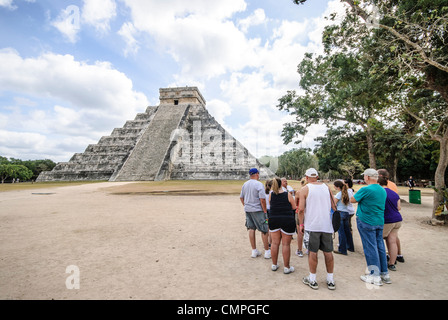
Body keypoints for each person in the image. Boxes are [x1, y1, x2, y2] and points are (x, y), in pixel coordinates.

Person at [350, 168, 390, 286]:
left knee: (370, 247)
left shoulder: (366, 189)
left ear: (367, 177)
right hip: (379, 220)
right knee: (380, 246)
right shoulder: (382, 190)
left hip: (366, 220)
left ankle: (374, 274)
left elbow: (353, 199)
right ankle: (384, 272)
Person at [298, 168, 336, 290]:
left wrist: (301, 224)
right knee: (328, 252)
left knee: (312, 252)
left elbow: (301, 209)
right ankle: (330, 279)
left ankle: (313, 279)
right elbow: (333, 205)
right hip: (326, 225)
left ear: (307, 177)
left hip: (312, 225)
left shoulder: (305, 189)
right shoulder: (326, 187)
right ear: (317, 176)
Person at [240, 168, 271, 259]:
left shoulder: (245, 184)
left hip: (248, 209)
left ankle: (254, 250)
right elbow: (262, 199)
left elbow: (241, 197)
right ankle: (267, 251)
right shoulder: (258, 184)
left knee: (251, 229)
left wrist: (246, 205)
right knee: (264, 229)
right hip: (258, 210)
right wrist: (265, 211)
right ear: (257, 174)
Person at [268, 178, 297, 274]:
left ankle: (274, 264)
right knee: (285, 244)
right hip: (286, 220)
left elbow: (270, 205)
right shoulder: (287, 195)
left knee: (274, 243)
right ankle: (286, 267)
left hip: (274, 219)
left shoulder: (271, 195)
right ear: (281, 184)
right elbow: (294, 207)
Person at [378, 169, 405, 263]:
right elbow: (398, 206)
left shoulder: (381, 188)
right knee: (393, 238)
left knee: (380, 237)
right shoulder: (392, 185)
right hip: (396, 216)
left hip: (387, 217)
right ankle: (396, 257)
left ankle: (384, 258)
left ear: (380, 176)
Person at [332, 180, 355, 255]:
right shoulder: (348, 192)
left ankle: (342, 249)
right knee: (347, 231)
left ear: (337, 187)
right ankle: (350, 247)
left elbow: (334, 203)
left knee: (341, 232)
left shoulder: (339, 194)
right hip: (346, 212)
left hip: (340, 212)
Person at [294, 178, 307, 257]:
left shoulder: (298, 192)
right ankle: (309, 249)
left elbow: (295, 205)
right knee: (309, 231)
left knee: (300, 232)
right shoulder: (310, 192)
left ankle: (299, 250)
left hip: (299, 213)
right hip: (309, 213)